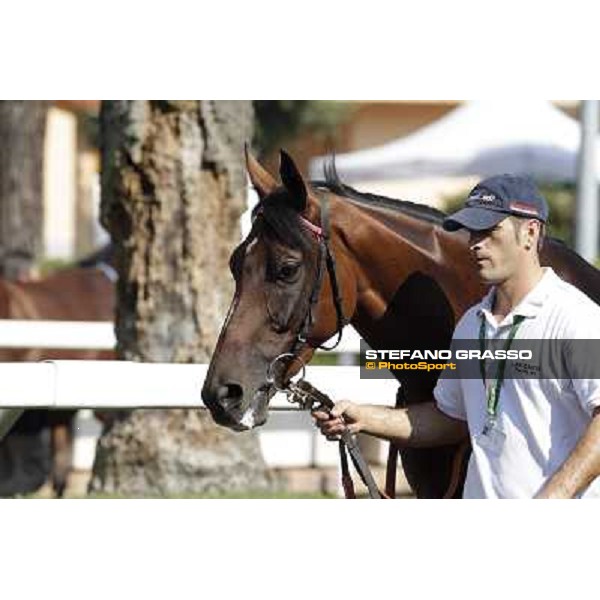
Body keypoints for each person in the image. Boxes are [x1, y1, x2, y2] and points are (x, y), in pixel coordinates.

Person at [313, 174, 600, 499]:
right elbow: (448, 418)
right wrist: (364, 417)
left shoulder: (576, 317)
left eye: (490, 231)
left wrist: (554, 497)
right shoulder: (470, 325)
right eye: (473, 232)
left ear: (530, 233)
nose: (475, 243)